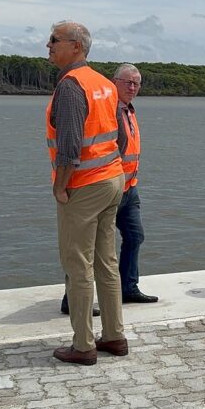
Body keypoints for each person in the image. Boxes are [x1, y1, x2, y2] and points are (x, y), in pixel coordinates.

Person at [45, 21, 128, 365]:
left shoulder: (70, 85)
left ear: (76, 46)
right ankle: (114, 336)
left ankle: (83, 345)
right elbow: (122, 137)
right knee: (107, 262)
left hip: (84, 185)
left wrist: (60, 186)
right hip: (113, 179)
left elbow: (69, 145)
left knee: (78, 265)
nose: (48, 45)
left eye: (54, 40)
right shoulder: (105, 83)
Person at [60, 63, 157, 313]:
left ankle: (128, 287)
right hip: (104, 187)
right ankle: (72, 299)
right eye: (128, 82)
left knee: (135, 236)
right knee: (89, 246)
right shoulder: (108, 108)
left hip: (128, 188)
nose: (132, 88)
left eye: (137, 84)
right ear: (114, 83)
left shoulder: (129, 110)